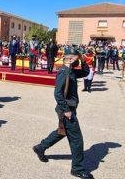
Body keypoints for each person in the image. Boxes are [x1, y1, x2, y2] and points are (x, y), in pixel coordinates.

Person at [32, 47, 93, 179]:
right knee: (77, 139)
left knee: (62, 132)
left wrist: (83, 60)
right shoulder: (64, 73)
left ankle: (40, 147)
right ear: (70, 59)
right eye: (77, 58)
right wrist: (66, 110)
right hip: (67, 110)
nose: (78, 61)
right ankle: (77, 169)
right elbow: (58, 93)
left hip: (69, 108)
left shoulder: (70, 70)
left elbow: (85, 72)